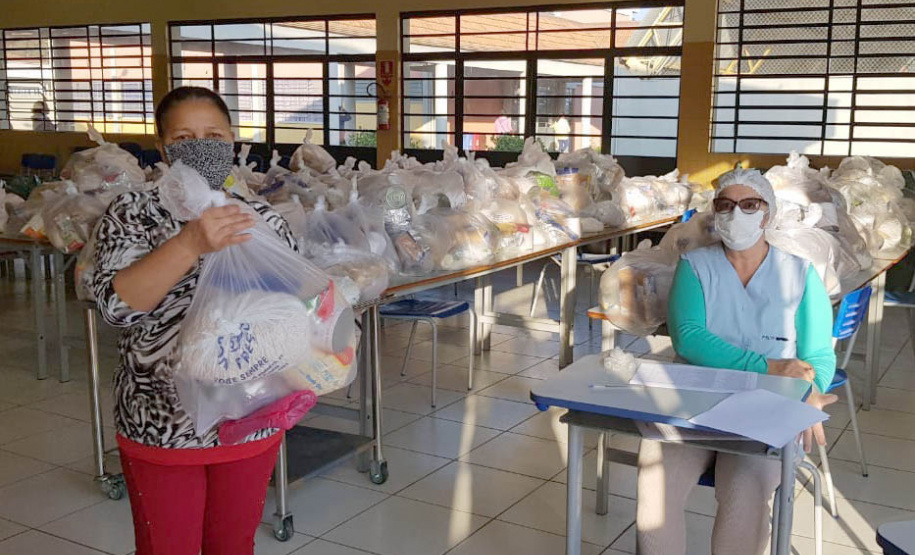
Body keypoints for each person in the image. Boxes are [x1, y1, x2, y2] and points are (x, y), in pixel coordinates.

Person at [92, 86, 298, 555]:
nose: (202, 146)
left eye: (214, 135)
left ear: (231, 142)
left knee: (232, 546)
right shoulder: (132, 213)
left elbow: (294, 311)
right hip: (160, 421)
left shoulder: (263, 219)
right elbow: (115, 307)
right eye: (185, 137)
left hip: (247, 417)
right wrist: (188, 244)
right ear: (164, 149)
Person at [636, 168, 838, 555]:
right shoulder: (696, 266)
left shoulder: (799, 274)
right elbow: (689, 337)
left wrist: (809, 392)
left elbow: (817, 356)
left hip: (762, 413)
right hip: (691, 407)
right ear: (714, 213)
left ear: (768, 213)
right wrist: (770, 366)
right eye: (725, 206)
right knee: (655, 491)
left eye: (749, 205)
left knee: (743, 497)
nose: (736, 214)